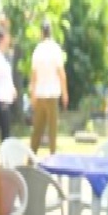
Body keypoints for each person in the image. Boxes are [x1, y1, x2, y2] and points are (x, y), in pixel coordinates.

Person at [29, 20, 68, 155]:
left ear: (41, 33)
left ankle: (30, 158)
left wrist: (32, 95)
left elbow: (34, 76)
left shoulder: (38, 50)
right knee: (52, 130)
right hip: (52, 95)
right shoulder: (55, 49)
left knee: (37, 130)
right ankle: (53, 156)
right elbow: (61, 73)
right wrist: (65, 93)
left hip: (40, 94)